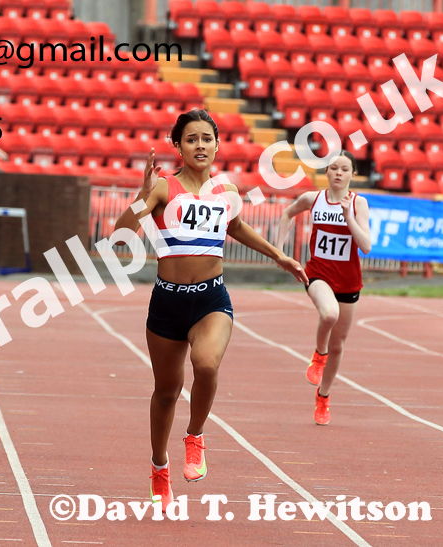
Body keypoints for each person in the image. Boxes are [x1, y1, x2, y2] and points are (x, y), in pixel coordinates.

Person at [114, 109, 308, 506]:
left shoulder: (228, 192)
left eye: (206, 138)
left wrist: (279, 256)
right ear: (178, 146)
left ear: (217, 144)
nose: (199, 145)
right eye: (191, 139)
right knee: (166, 391)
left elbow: (236, 228)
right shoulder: (163, 188)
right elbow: (121, 236)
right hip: (167, 301)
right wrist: (141, 191)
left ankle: (196, 436)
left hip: (211, 299)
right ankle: (158, 465)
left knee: (205, 365)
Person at [277, 150, 371, 426]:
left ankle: (324, 396)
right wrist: (279, 253)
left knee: (339, 345)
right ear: (327, 173)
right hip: (317, 274)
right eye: (333, 168)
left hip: (349, 281)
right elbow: (287, 213)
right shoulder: (313, 199)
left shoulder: (358, 203)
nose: (338, 173)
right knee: (328, 314)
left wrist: (349, 218)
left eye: (344, 169)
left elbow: (366, 246)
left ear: (353, 174)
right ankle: (319, 355)